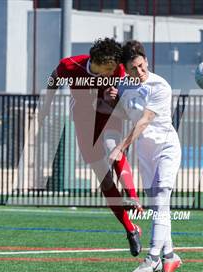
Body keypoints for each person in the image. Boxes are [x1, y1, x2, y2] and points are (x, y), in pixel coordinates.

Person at [43, 38, 142, 256]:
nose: (113, 71)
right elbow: (53, 78)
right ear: (97, 62)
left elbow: (124, 95)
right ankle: (130, 230)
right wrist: (46, 104)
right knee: (104, 179)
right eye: (109, 68)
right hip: (84, 121)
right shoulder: (70, 65)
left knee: (113, 149)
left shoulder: (117, 70)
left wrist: (116, 97)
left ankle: (132, 195)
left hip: (108, 115)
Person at [105, 40, 182, 272]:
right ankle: (170, 256)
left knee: (160, 200)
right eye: (133, 69)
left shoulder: (161, 86)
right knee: (159, 206)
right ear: (125, 70)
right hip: (146, 154)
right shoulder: (125, 84)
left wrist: (121, 146)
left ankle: (153, 258)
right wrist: (111, 98)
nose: (139, 72)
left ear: (146, 60)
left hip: (166, 148)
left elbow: (144, 121)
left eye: (141, 65)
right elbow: (121, 111)